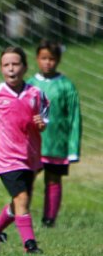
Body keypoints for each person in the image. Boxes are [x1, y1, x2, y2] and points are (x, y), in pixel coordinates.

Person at [0, 46, 49, 254]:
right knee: (22, 199)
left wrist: (41, 123)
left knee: (19, 200)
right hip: (5, 155)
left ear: (25, 67)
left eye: (15, 64)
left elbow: (43, 120)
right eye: (6, 65)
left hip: (29, 155)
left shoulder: (36, 94)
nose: (11, 69)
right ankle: (30, 245)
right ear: (1, 68)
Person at [27, 40, 81, 228]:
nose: (47, 62)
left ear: (58, 60)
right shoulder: (30, 85)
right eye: (43, 58)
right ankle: (21, 216)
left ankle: (49, 220)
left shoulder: (66, 86)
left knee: (53, 179)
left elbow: (74, 117)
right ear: (37, 59)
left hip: (57, 144)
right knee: (27, 179)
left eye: (52, 58)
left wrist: (73, 148)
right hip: (33, 144)